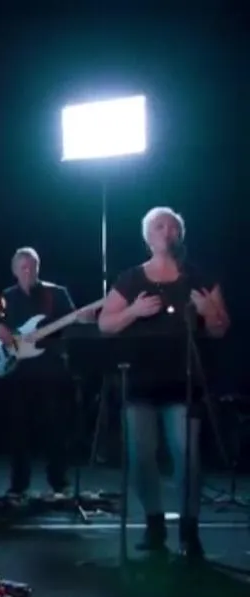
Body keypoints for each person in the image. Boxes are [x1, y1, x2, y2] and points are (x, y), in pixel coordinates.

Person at [97, 207, 229, 559]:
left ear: (180, 235)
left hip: (184, 382)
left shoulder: (198, 277)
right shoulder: (131, 279)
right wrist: (133, 312)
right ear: (148, 236)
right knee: (141, 456)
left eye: (173, 227)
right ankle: (154, 523)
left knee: (187, 456)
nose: (167, 232)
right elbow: (105, 324)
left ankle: (189, 529)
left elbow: (220, 329)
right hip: (140, 381)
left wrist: (209, 312)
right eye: (160, 226)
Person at [0, 247, 96, 500]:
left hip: (51, 369)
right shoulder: (5, 297)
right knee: (19, 430)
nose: (28, 271)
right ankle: (18, 485)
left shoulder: (56, 293)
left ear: (38, 268)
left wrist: (83, 319)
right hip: (18, 371)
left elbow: (71, 322)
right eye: (23, 267)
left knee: (56, 428)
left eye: (32, 266)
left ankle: (60, 482)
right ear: (15, 271)